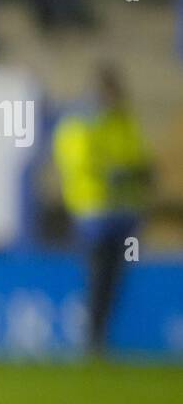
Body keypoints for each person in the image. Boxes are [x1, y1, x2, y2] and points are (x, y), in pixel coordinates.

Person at [53, 65, 152, 354]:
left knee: (115, 280)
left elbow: (139, 157)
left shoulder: (124, 122)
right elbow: (79, 162)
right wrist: (119, 172)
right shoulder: (82, 123)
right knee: (98, 277)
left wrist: (136, 173)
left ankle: (101, 338)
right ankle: (92, 339)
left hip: (125, 216)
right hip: (94, 215)